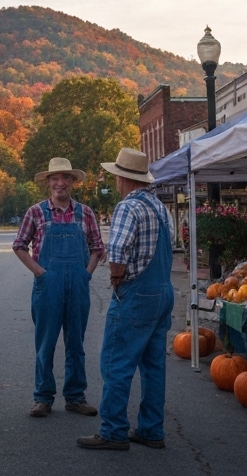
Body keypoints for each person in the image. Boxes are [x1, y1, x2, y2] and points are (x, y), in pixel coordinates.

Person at [78, 147, 174, 451]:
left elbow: (117, 251)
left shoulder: (127, 207)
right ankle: (151, 429)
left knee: (116, 362)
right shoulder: (160, 207)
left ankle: (114, 430)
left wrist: (116, 279)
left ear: (122, 179)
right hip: (162, 290)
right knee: (153, 365)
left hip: (137, 291)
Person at [13, 157, 104, 418]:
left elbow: (98, 248)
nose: (60, 183)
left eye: (65, 178)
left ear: (73, 182)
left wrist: (86, 274)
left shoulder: (85, 212)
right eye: (55, 178)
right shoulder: (36, 212)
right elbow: (20, 245)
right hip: (47, 284)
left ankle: (76, 397)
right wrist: (40, 273)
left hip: (78, 284)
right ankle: (43, 397)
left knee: (76, 343)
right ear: (48, 182)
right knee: (46, 343)